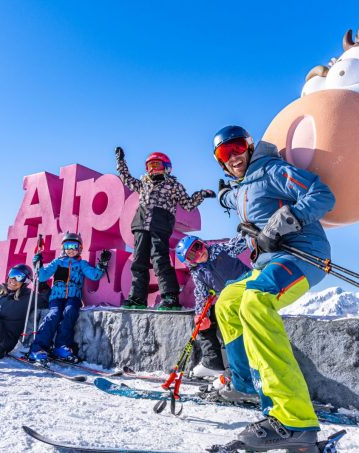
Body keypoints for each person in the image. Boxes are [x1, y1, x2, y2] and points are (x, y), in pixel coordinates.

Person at [210, 125, 336, 451]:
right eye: (224, 153)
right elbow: (237, 197)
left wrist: (283, 222)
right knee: (228, 301)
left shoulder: (272, 170)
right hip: (268, 262)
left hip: (303, 255)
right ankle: (245, 383)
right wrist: (226, 195)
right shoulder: (242, 187)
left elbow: (321, 194)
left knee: (255, 301)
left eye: (237, 147)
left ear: (250, 147)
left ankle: (292, 420)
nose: (233, 156)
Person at [115, 146, 216, 310]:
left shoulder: (173, 186)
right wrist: (121, 161)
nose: (153, 169)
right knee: (139, 261)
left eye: (157, 165)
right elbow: (126, 178)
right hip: (141, 224)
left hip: (160, 224)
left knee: (159, 259)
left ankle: (170, 296)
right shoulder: (143, 184)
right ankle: (137, 298)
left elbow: (188, 204)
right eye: (150, 166)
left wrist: (201, 195)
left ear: (167, 168)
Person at [28, 232, 111, 363]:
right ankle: (38, 348)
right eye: (67, 246)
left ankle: (61, 347)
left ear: (80, 248)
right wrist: (38, 264)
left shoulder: (81, 264)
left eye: (74, 246)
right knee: (53, 315)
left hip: (73, 297)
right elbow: (43, 277)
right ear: (63, 248)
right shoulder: (58, 262)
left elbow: (94, 275)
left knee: (70, 313)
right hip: (56, 297)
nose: (71, 249)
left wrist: (102, 264)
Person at [175, 235, 249, 378]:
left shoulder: (220, 250)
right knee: (215, 321)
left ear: (203, 243)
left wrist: (249, 233)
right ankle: (217, 365)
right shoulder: (199, 273)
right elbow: (202, 295)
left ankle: (235, 371)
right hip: (230, 303)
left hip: (249, 291)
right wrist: (201, 315)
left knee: (230, 324)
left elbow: (240, 243)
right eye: (192, 255)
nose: (199, 253)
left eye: (198, 246)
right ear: (189, 262)